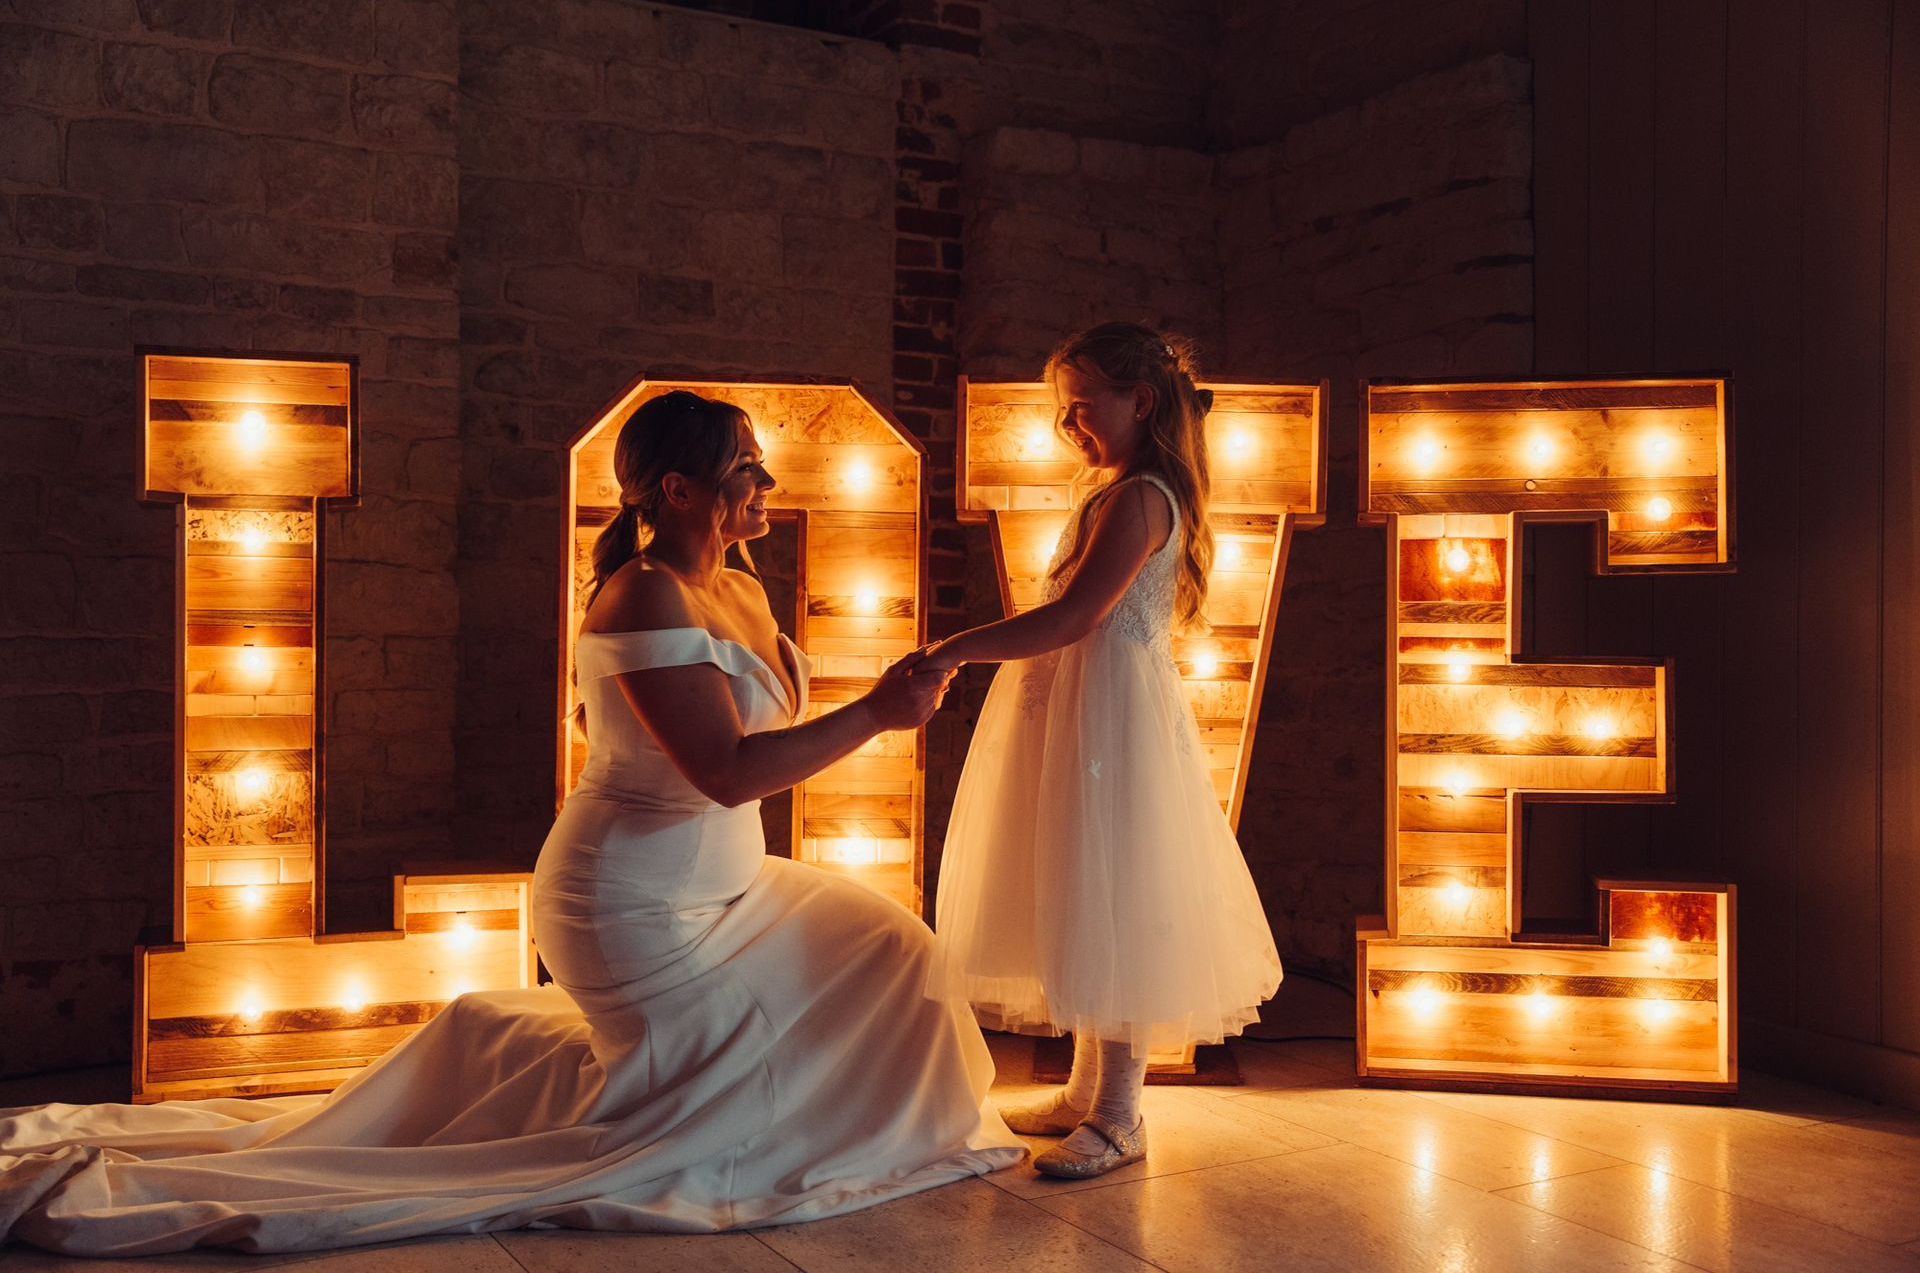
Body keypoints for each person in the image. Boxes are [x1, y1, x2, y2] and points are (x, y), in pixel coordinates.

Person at [0, 390, 1023, 1256]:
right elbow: (722, 770)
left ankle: (851, 1124)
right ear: (678, 489)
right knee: (710, 1101)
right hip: (636, 896)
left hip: (734, 886)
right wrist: (879, 717)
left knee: (895, 948)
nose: (764, 484)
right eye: (746, 467)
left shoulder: (741, 587)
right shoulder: (640, 601)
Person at [918, 323, 1283, 1180]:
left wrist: (956, 648)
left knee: (1114, 888)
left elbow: (1077, 614)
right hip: (1076, 709)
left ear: (1140, 402)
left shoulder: (1143, 496)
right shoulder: (1110, 488)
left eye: (1081, 408)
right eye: (1064, 410)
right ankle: (1087, 1088)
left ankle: (1121, 1115)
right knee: (1079, 880)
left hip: (1111, 717)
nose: (1067, 426)